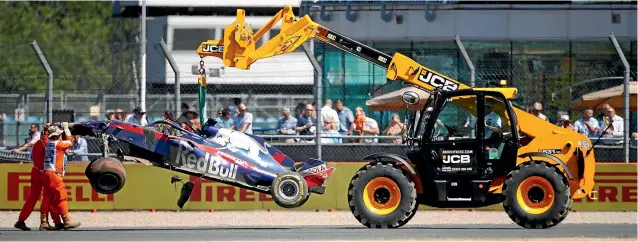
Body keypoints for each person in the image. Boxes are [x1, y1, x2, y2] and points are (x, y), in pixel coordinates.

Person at [14, 123, 61, 231]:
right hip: (44, 173)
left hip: (35, 171)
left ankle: (21, 220)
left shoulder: (37, 144)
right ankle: (55, 222)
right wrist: (46, 130)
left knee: (33, 197)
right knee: (49, 197)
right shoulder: (46, 143)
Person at [42, 123, 81, 229]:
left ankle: (44, 222)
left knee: (48, 198)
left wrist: (46, 129)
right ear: (57, 135)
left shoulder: (46, 142)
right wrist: (66, 128)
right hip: (54, 174)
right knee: (62, 197)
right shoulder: (59, 144)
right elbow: (70, 140)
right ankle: (67, 221)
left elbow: (45, 136)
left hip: (46, 173)